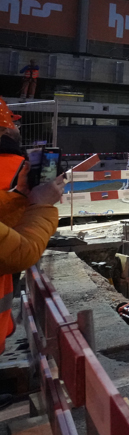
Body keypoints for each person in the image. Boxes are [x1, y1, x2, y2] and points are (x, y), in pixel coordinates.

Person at [0, 98, 65, 353]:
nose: (18, 130)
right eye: (12, 125)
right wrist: (39, 205)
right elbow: (20, 252)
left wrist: (20, 198)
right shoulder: (14, 163)